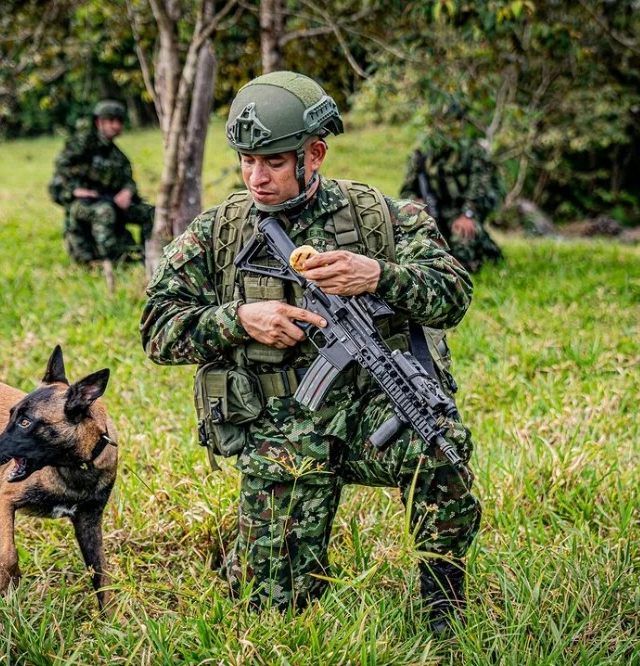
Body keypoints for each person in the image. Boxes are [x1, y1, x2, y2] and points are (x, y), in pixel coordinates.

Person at [141, 72, 482, 633]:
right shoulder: (219, 232)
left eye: (273, 161)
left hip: (375, 409)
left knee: (439, 448)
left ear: (314, 154)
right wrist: (240, 320)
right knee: (272, 609)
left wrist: (378, 275)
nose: (257, 177)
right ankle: (255, 554)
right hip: (282, 428)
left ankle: (444, 605)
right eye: (247, 161)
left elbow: (453, 294)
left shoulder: (379, 218)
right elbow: (157, 328)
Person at [399, 106, 504, 273]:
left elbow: (480, 189)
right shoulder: (422, 155)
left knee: (462, 239)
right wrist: (415, 203)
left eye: (455, 122)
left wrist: (468, 215)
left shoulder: (472, 152)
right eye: (444, 122)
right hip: (431, 216)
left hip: (461, 214)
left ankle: (473, 262)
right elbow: (407, 190)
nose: (449, 128)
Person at [48, 100, 154, 264]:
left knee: (151, 213)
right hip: (83, 204)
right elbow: (59, 175)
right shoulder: (81, 145)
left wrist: (127, 191)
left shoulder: (118, 157)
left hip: (110, 200)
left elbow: (128, 180)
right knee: (105, 212)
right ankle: (107, 263)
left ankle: (150, 257)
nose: (116, 125)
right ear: (99, 122)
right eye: (111, 121)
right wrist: (75, 190)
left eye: (119, 121)